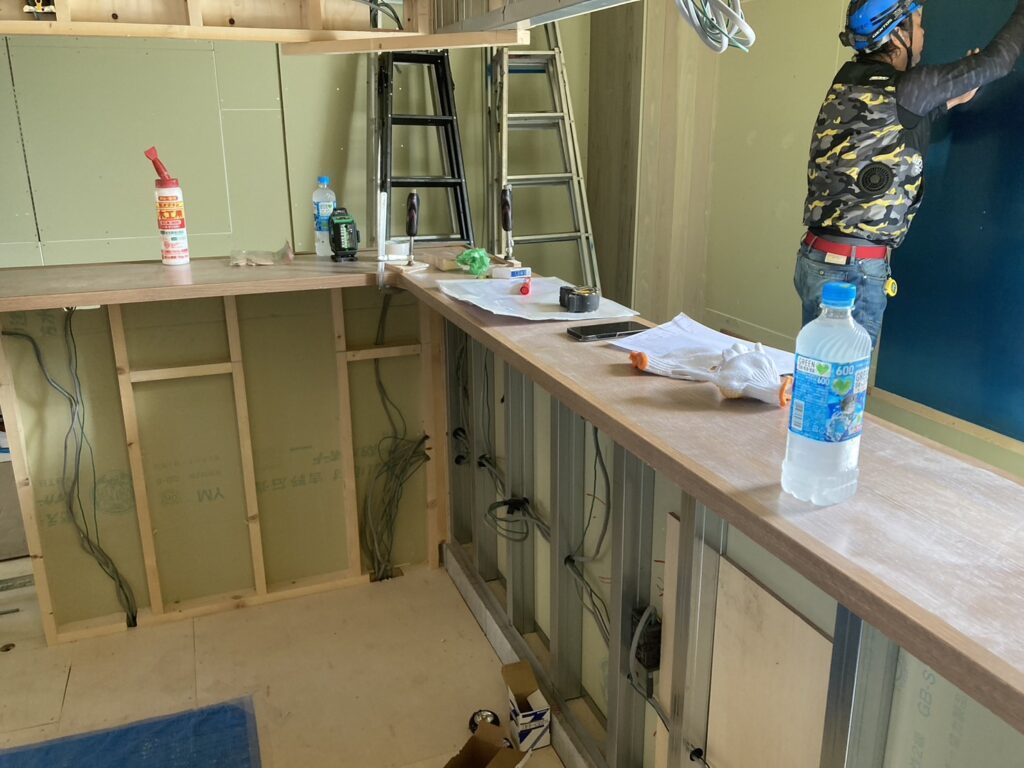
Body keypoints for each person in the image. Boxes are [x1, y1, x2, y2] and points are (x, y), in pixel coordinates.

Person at [795, 0, 1024, 347]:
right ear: (897, 35)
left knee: (820, 367)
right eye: (917, 22)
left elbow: (891, 126)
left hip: (818, 259)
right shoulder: (908, 88)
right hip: (851, 271)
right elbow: (998, 61)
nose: (924, 32)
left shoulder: (848, 80)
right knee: (842, 377)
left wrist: (953, 98)